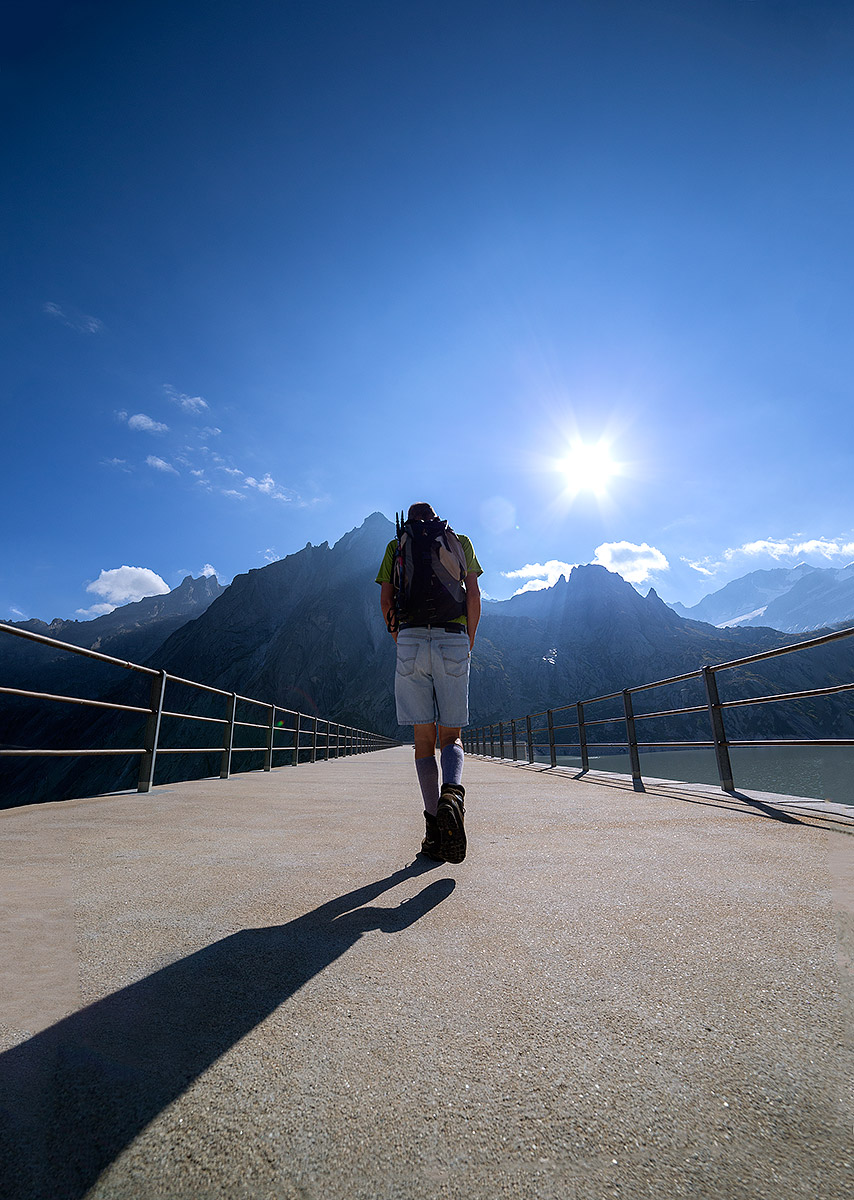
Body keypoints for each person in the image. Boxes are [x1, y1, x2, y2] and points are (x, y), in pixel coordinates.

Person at [376, 503, 482, 863]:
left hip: (410, 640)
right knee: (450, 736)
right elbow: (473, 595)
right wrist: (467, 641)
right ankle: (452, 793)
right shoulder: (459, 540)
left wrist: (401, 640)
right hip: (453, 637)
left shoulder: (397, 545)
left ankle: (434, 829)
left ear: (408, 519)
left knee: (423, 738)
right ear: (437, 517)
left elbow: (386, 600)